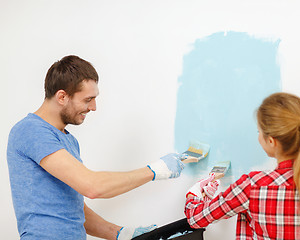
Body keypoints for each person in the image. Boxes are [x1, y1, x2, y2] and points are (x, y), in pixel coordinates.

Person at [7, 55, 190, 240]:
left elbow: (73, 210)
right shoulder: (30, 130)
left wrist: (120, 233)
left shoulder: (68, 140)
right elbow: (93, 186)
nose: (93, 107)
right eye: (88, 99)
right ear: (62, 96)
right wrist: (155, 170)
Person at [184, 92, 300, 239]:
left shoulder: (252, 187)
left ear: (271, 141)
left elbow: (196, 219)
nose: (258, 137)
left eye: (259, 132)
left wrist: (194, 194)